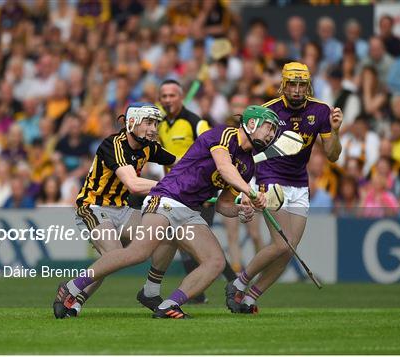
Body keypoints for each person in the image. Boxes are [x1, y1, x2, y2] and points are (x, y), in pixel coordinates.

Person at [53, 105, 279, 319]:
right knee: (137, 252)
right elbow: (223, 167)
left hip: (188, 209)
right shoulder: (224, 134)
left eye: (273, 131)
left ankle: (168, 304)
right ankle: (72, 288)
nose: (271, 135)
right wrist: (250, 192)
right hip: (162, 199)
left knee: (215, 262)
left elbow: (223, 204)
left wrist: (240, 209)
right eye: (268, 127)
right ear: (251, 124)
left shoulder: (248, 166)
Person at [225, 62, 343, 314]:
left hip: (299, 183)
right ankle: (238, 282)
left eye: (302, 85)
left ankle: (249, 298)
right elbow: (245, 147)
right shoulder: (268, 111)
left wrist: (335, 130)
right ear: (283, 84)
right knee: (281, 244)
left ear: (308, 85)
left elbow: (332, 156)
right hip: (270, 177)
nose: (297, 90)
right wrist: (245, 185)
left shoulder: (321, 111)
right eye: (292, 84)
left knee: (288, 251)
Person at [52, 103, 176, 318]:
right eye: (148, 122)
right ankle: (73, 291)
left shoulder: (150, 147)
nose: (154, 128)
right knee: (114, 254)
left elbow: (182, 166)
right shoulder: (113, 144)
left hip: (123, 210)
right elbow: (134, 185)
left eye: (155, 123)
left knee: (169, 231)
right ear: (131, 123)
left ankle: (150, 291)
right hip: (92, 207)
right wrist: (170, 187)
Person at [146, 79, 238, 304]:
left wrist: (209, 189)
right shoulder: (161, 124)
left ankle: (234, 286)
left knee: (202, 247)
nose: (168, 100)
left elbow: (218, 151)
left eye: (172, 95)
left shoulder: (196, 123)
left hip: (201, 193)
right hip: (175, 191)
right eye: (164, 96)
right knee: (184, 245)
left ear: (181, 97)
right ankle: (215, 290)